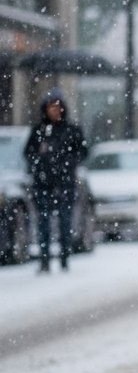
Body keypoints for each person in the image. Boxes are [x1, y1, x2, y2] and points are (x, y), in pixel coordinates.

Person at [23, 89, 88, 273]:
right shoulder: (38, 131)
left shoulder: (71, 130)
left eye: (57, 107)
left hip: (65, 183)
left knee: (64, 221)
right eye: (51, 107)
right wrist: (39, 158)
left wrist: (68, 162)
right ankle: (44, 260)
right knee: (43, 222)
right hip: (43, 184)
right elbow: (28, 153)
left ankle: (64, 258)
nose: (54, 111)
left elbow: (83, 152)